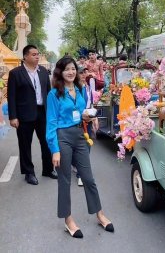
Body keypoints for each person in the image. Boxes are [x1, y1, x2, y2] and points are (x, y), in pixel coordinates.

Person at [46, 56, 114, 238]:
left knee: (88, 178)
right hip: (63, 137)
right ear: (60, 72)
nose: (71, 72)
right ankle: (68, 220)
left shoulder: (80, 89)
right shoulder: (54, 94)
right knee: (65, 180)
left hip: (79, 135)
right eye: (67, 69)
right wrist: (55, 150)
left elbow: (81, 113)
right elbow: (51, 124)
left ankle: (99, 214)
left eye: (73, 69)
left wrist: (89, 118)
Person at [7, 44, 56, 185]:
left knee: (47, 142)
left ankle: (48, 169)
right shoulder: (16, 73)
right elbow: (12, 96)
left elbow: (48, 94)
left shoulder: (43, 72)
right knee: (25, 144)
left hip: (42, 113)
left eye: (38, 54)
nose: (37, 57)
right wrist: (13, 116)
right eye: (34, 54)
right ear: (25, 57)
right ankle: (29, 172)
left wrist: (51, 113)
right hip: (24, 115)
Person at [76, 65, 99, 186]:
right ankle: (80, 172)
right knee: (80, 148)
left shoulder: (88, 88)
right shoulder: (74, 89)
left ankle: (81, 173)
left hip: (88, 121)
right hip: (76, 122)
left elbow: (91, 105)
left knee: (86, 147)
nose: (84, 75)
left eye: (85, 73)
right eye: (81, 73)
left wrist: (95, 118)